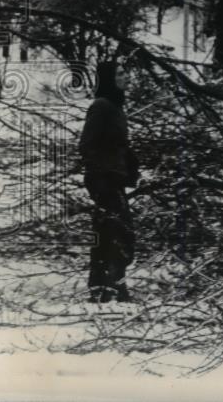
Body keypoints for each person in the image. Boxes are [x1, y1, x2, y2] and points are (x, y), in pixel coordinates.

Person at [79, 60, 139, 303]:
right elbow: (86, 146)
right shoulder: (101, 107)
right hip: (104, 182)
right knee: (117, 233)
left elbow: (116, 144)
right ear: (109, 78)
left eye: (126, 72)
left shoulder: (115, 107)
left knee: (111, 233)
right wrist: (104, 173)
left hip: (114, 180)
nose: (127, 77)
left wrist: (130, 164)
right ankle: (109, 288)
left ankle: (105, 288)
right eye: (121, 73)